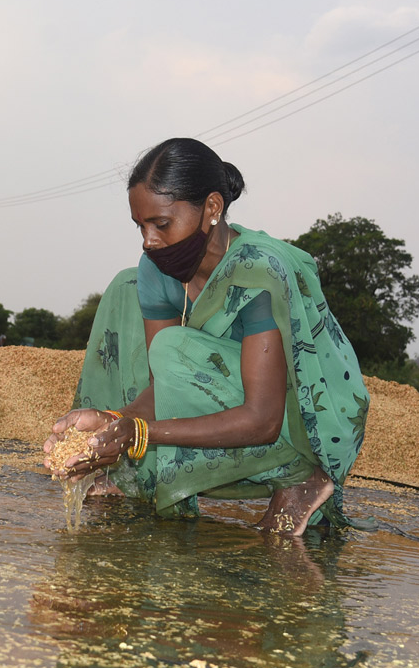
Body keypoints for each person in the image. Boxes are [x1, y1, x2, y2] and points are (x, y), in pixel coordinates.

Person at [44, 138, 369, 534]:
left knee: (172, 347)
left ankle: (300, 475)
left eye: (161, 224)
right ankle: (139, 473)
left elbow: (262, 419)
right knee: (124, 290)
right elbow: (161, 386)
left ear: (212, 208)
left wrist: (138, 433)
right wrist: (114, 421)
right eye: (140, 226)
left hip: (295, 419)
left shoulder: (258, 271)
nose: (149, 240)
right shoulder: (156, 271)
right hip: (236, 410)